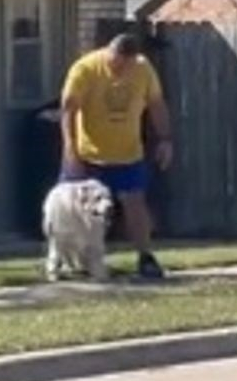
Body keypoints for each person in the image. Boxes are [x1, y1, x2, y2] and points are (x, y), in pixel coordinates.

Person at [60, 33, 173, 279]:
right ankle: (77, 260)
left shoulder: (143, 70)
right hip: (89, 153)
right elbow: (69, 109)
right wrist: (70, 148)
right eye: (116, 63)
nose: (120, 69)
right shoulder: (86, 69)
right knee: (75, 209)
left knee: (135, 204)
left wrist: (165, 139)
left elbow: (156, 104)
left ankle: (145, 256)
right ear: (109, 53)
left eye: (125, 65)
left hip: (127, 153)